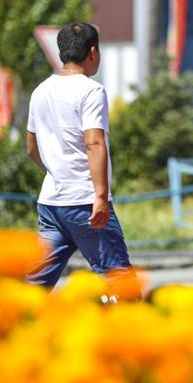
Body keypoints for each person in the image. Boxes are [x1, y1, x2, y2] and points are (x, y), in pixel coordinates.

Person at [24, 22, 133, 288]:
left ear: (61, 52)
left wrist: (57, 171)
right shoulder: (91, 90)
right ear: (93, 52)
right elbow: (94, 142)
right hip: (84, 201)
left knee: (36, 283)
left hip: (51, 202)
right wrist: (100, 196)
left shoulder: (40, 91)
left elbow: (31, 147)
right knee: (120, 280)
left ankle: (12, 313)